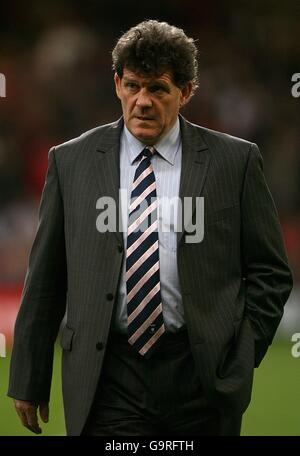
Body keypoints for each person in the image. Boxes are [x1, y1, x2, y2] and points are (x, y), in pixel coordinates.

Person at [8, 20, 293, 436]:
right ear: (117, 84)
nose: (142, 101)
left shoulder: (235, 162)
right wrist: (29, 377)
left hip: (200, 377)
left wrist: (240, 352)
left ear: (186, 91)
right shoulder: (71, 162)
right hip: (107, 375)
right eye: (133, 86)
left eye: (157, 88)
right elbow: (46, 277)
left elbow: (270, 271)